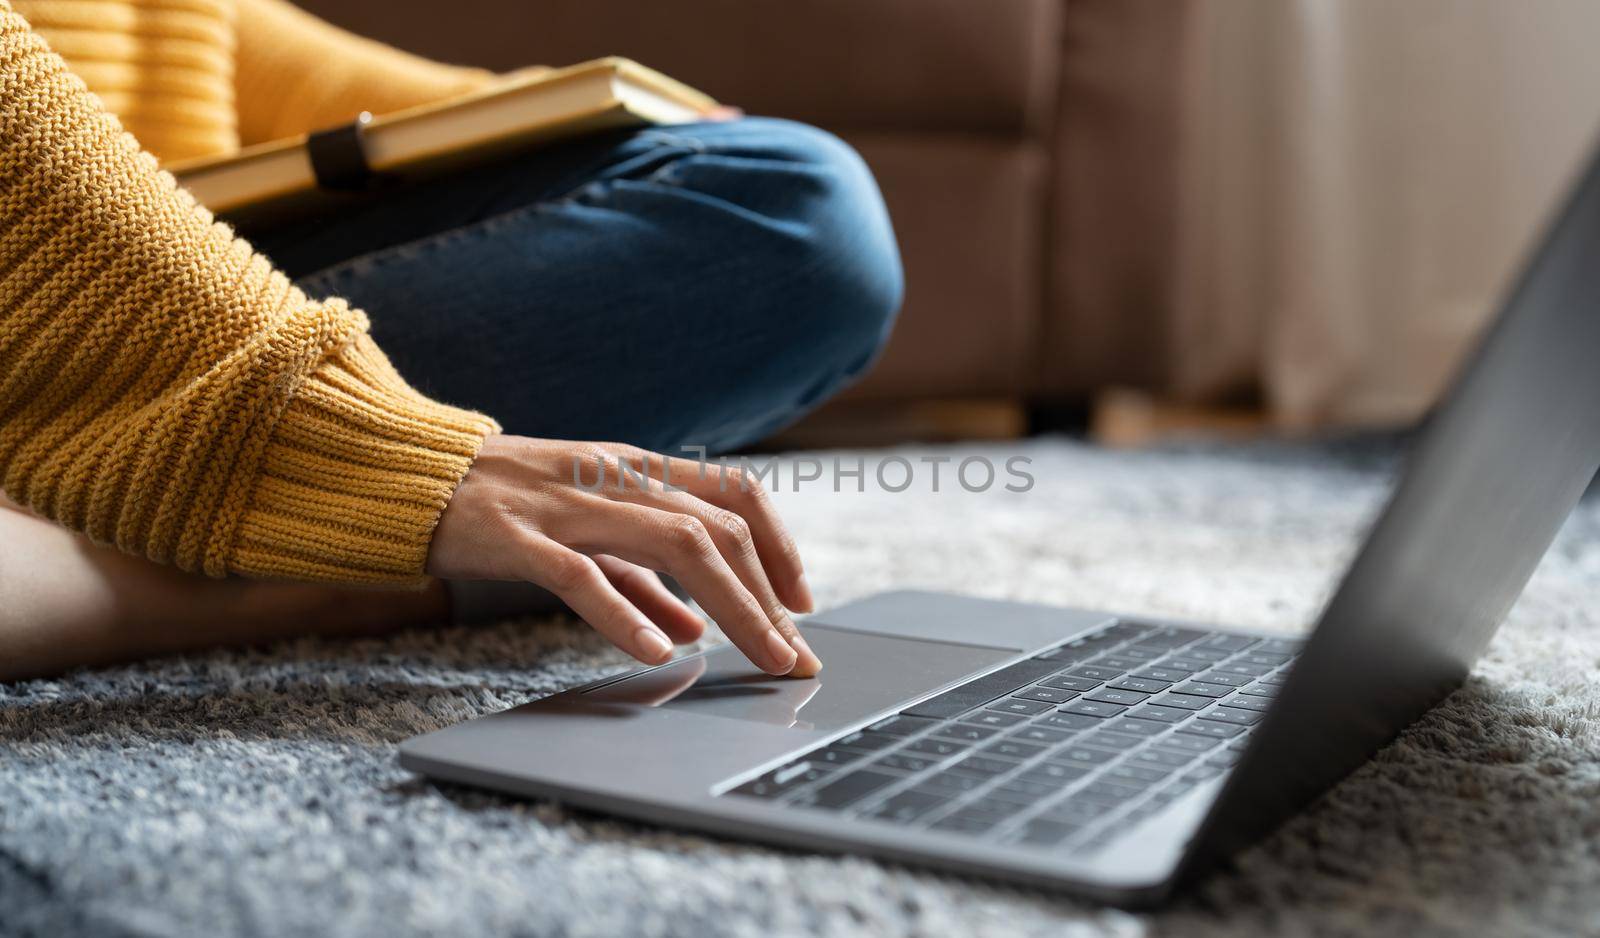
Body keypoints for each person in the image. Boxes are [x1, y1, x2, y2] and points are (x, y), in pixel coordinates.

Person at [0, 0, 902, 681]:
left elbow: (224, 42)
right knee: (789, 208)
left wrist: (568, 115)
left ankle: (123, 526)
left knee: (784, 205)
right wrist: (379, 450)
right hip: (52, 292)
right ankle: (281, 547)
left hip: (193, 249)